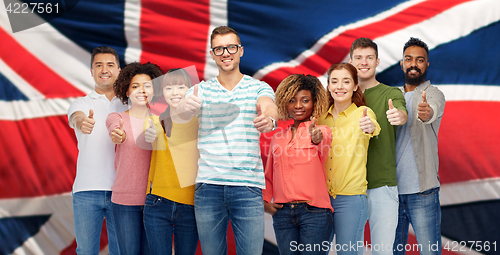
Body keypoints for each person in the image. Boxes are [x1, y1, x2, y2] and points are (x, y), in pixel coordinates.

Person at [180, 26, 279, 255]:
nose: (226, 53)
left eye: (231, 47)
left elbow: (268, 105)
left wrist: (269, 119)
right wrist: (185, 108)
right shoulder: (199, 91)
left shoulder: (258, 87)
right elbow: (180, 115)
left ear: (240, 51)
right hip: (208, 187)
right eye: (219, 49)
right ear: (212, 54)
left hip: (247, 187)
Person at [348, 38, 408, 255]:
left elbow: (401, 113)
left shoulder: (391, 94)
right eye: (359, 58)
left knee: (382, 251)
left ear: (377, 61)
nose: (364, 62)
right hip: (348, 187)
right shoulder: (342, 96)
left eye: (369, 58)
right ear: (351, 61)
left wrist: (398, 115)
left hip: (382, 185)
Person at [263, 74, 332, 255]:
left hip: (314, 213)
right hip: (283, 215)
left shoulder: (322, 131)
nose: (298, 105)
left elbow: (322, 141)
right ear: (285, 102)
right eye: (292, 100)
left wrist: (316, 137)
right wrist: (264, 202)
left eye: (305, 100)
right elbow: (269, 175)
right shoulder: (277, 138)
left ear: (314, 102)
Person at [67, 46, 126, 255]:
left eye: (110, 65)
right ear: (91, 71)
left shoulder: (128, 104)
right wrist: (82, 122)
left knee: (121, 251)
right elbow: (76, 117)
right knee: (85, 251)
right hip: (86, 190)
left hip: (122, 191)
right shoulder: (81, 103)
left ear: (119, 70)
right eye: (98, 65)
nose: (104, 69)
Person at [318, 63, 380, 255]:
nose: (340, 86)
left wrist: (370, 126)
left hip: (351, 199)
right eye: (334, 81)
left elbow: (373, 127)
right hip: (320, 200)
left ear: (355, 86)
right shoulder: (320, 118)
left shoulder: (364, 114)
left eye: (346, 81)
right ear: (328, 86)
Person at [393, 38, 445, 255]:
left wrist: (427, 112)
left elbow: (433, 109)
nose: (414, 64)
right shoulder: (390, 96)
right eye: (409, 59)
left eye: (420, 60)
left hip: (422, 192)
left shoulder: (433, 94)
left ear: (427, 65)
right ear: (402, 63)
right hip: (390, 194)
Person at [105, 62, 162, 255]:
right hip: (124, 201)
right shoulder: (116, 118)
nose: (142, 90)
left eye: (147, 85)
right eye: (135, 86)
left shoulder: (163, 121)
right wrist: (117, 134)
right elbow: (114, 130)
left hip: (155, 202)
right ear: (127, 92)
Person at [142, 68, 199, 254]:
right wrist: (149, 135)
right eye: (169, 88)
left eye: (181, 86)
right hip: (158, 203)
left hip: (191, 205)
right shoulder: (154, 121)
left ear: (190, 90)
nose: (175, 92)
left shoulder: (201, 122)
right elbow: (148, 134)